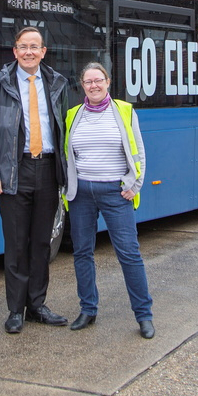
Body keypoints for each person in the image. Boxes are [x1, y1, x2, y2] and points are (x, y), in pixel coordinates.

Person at [0, 26, 70, 334]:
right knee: (16, 245)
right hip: (13, 172)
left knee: (42, 243)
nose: (29, 51)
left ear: (43, 52)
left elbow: (64, 131)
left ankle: (37, 305)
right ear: (14, 51)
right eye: (23, 46)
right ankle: (15, 310)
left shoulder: (57, 83)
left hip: (47, 170)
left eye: (35, 46)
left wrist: (66, 174)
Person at [64, 62, 155, 339]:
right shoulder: (73, 114)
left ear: (108, 82)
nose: (93, 85)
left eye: (98, 80)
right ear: (82, 85)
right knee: (82, 252)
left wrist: (134, 184)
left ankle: (144, 315)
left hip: (116, 192)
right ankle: (88, 309)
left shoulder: (124, 111)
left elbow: (138, 150)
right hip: (81, 194)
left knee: (129, 254)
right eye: (88, 81)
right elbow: (69, 155)